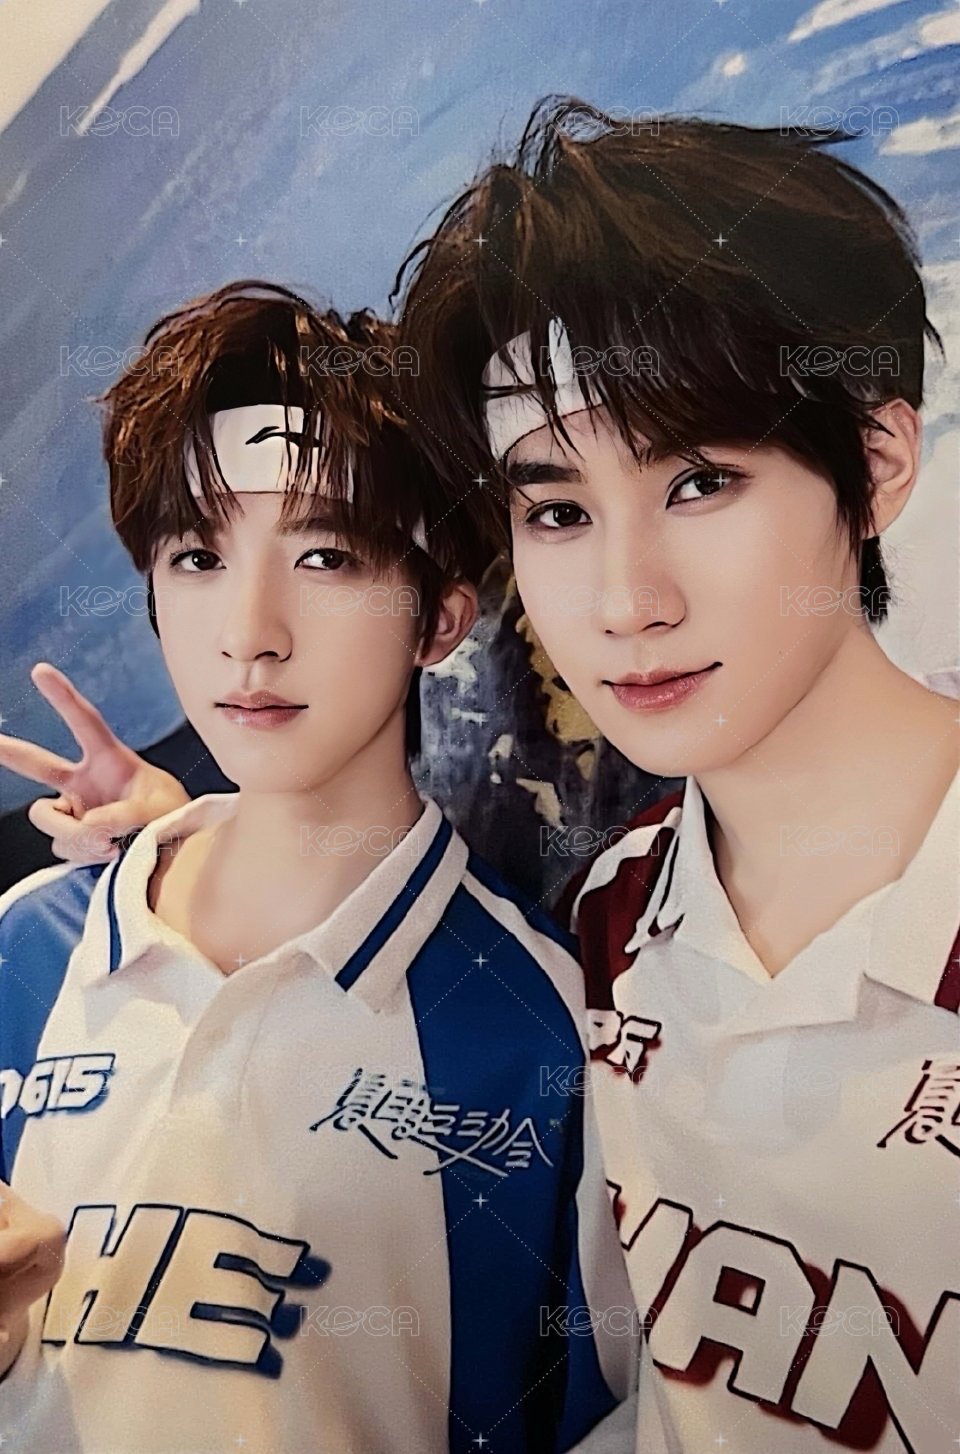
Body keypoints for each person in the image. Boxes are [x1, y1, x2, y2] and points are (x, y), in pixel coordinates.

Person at [393, 97, 960, 1454]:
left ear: (876, 461)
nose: (625, 600)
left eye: (699, 481)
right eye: (557, 510)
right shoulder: (609, 916)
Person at [0, 280, 635, 1453]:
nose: (250, 631)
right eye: (198, 554)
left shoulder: (545, 1032)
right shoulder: (26, 944)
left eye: (328, 554)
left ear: (439, 617)